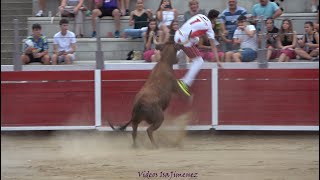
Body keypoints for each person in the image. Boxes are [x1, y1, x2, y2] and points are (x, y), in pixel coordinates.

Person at [174, 9, 222, 96]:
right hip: (184, 40)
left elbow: (193, 29)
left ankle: (179, 52)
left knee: (196, 39)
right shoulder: (209, 27)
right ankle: (185, 83)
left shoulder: (200, 16)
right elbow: (213, 46)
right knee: (199, 61)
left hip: (177, 34)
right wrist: (218, 60)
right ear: (214, 19)